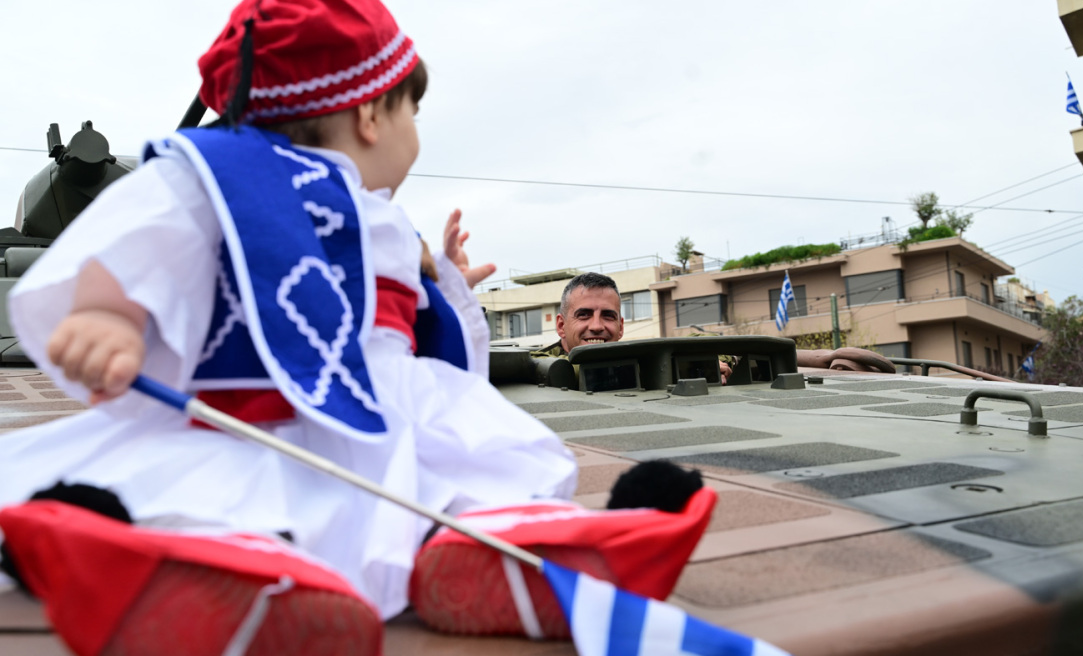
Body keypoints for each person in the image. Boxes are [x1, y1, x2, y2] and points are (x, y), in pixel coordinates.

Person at [0, 0, 576, 621]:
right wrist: (109, 314)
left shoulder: (377, 216)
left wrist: (446, 288)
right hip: (247, 409)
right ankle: (247, 575)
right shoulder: (221, 177)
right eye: (413, 110)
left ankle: (470, 557)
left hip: (387, 411)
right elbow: (143, 228)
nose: (416, 127)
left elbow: (410, 322)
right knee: (243, 497)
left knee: (491, 473)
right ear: (371, 115)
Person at [532, 273, 894, 378]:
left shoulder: (650, 358)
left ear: (621, 326)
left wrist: (828, 358)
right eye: (585, 315)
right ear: (561, 325)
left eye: (607, 316)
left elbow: (735, 357)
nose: (597, 326)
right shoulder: (532, 368)